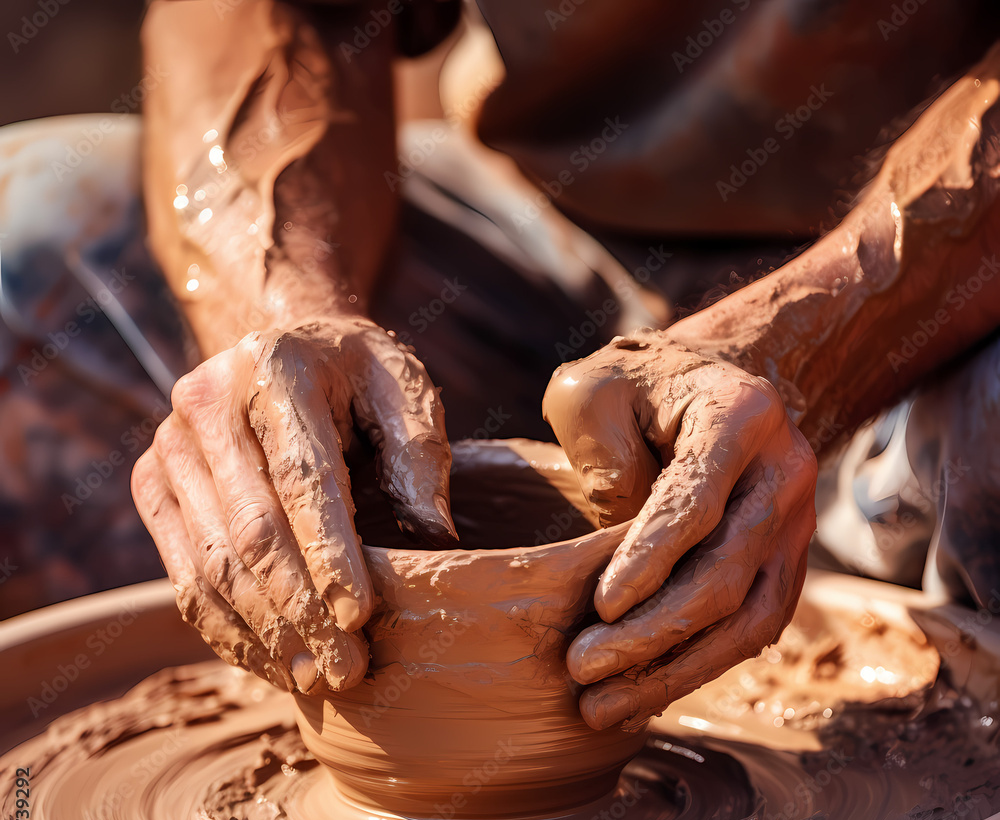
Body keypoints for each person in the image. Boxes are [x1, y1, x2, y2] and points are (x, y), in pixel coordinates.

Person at [4, 1, 999, 731]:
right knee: (29, 262)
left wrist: (804, 347)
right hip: (545, 226)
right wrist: (280, 316)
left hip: (943, 279)